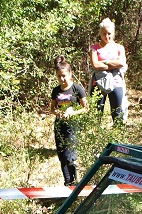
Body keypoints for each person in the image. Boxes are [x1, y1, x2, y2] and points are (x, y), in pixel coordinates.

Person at [50, 57, 88, 186]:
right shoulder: (56, 90)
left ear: (70, 74)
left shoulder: (77, 89)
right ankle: (68, 182)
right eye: (59, 76)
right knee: (61, 155)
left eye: (64, 76)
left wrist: (73, 112)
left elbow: (86, 108)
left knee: (70, 155)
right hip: (59, 124)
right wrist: (58, 113)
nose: (62, 79)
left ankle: (74, 181)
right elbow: (52, 108)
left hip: (72, 124)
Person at [89, 18, 127, 122]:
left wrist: (104, 62)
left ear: (113, 33)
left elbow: (121, 63)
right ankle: (96, 136)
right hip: (98, 82)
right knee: (96, 113)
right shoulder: (94, 49)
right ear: (100, 33)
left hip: (116, 82)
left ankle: (117, 136)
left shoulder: (119, 48)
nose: (107, 36)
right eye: (104, 34)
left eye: (109, 33)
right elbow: (95, 65)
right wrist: (113, 64)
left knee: (118, 113)